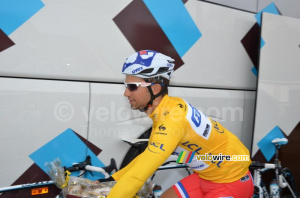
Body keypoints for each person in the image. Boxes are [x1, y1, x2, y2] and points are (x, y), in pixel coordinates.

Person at [97, 50, 254, 198]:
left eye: (132, 87)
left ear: (156, 88)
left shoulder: (172, 121)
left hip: (231, 182)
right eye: (126, 86)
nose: (126, 93)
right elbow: (146, 158)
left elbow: (138, 176)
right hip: (206, 177)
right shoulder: (169, 107)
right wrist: (111, 180)